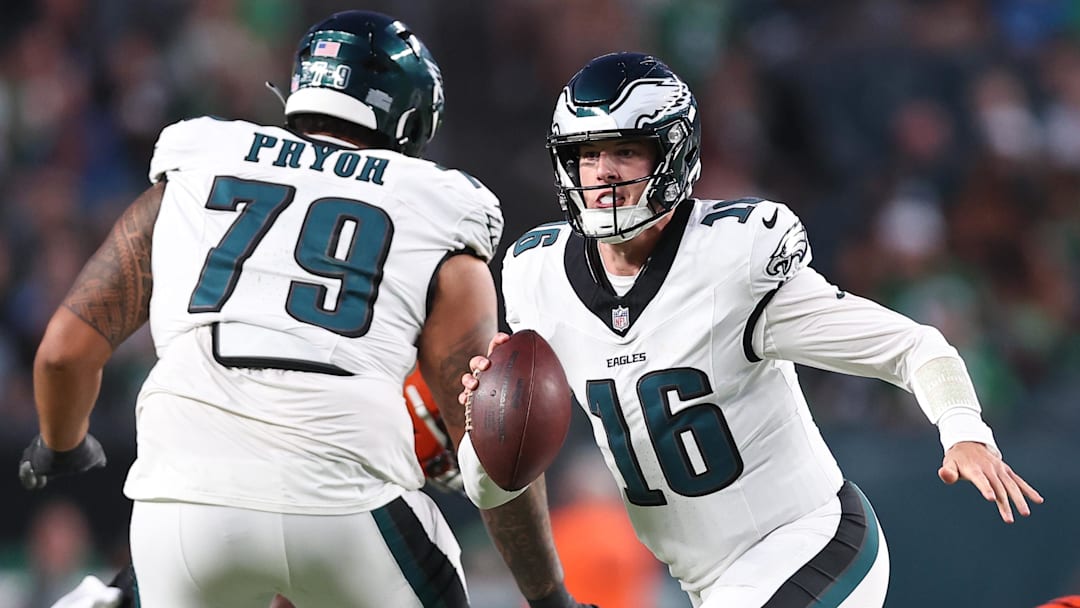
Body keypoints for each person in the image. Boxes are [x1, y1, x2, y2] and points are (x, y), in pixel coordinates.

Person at [19, 10, 590, 607]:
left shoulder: (199, 164)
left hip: (182, 514)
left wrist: (61, 444)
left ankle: (109, 601)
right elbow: (489, 439)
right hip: (347, 511)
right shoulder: (439, 207)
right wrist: (551, 597)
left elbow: (62, 355)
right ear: (414, 119)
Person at [458, 52, 1044, 608]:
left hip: (815, 542)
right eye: (587, 155)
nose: (603, 173)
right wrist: (486, 426)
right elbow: (491, 486)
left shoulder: (732, 260)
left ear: (672, 156)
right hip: (709, 583)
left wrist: (964, 429)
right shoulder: (537, 277)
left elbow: (915, 346)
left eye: (626, 152)